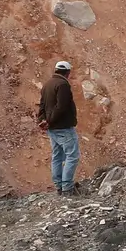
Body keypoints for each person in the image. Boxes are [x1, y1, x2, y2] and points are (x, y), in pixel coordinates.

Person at [38, 60, 80, 194]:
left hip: (52, 129)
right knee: (72, 156)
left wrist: (42, 120)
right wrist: (49, 121)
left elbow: (42, 105)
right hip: (63, 127)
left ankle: (59, 186)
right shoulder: (63, 85)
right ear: (68, 73)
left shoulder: (47, 84)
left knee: (57, 155)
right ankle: (67, 187)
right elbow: (61, 106)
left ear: (56, 70)